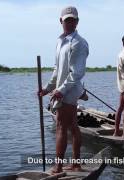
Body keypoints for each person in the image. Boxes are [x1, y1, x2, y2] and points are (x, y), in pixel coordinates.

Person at [38, 6, 88, 173]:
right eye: (67, 20)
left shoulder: (79, 43)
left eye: (73, 20)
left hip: (69, 91)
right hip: (64, 90)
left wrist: (61, 90)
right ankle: (76, 163)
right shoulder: (60, 41)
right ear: (61, 21)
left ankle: (58, 167)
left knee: (60, 125)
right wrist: (47, 88)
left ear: (77, 21)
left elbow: (77, 72)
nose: (70, 22)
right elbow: (56, 69)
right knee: (73, 126)